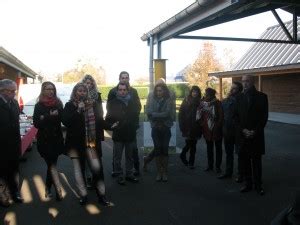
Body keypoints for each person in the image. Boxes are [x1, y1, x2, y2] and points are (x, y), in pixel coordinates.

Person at [62, 82, 111, 206]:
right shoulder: (69, 106)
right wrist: (78, 110)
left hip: (91, 143)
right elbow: (67, 122)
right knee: (79, 170)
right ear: (75, 92)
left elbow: (99, 120)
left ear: (87, 93)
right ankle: (83, 195)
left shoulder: (93, 105)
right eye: (79, 91)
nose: (82, 93)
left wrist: (111, 126)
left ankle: (102, 195)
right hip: (76, 143)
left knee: (97, 169)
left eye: (84, 91)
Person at [236, 75, 268, 195]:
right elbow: (235, 118)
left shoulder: (262, 97)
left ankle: (258, 185)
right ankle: (248, 184)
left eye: (247, 81)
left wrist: (255, 131)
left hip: (256, 136)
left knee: (256, 163)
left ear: (252, 82)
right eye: (243, 81)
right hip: (243, 136)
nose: (245, 84)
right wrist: (243, 130)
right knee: (245, 162)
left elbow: (264, 118)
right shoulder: (238, 98)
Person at [33, 81, 64, 201]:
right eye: (48, 89)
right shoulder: (39, 105)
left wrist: (44, 117)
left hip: (56, 139)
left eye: (52, 89)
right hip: (44, 141)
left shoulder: (58, 103)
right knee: (51, 165)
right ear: (43, 90)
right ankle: (57, 189)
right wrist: (49, 116)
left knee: (52, 165)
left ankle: (48, 188)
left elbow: (61, 119)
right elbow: (36, 123)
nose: (51, 91)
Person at [107, 71, 141, 176]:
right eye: (123, 77)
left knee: (132, 150)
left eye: (126, 77)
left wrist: (134, 122)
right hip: (118, 128)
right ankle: (116, 171)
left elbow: (138, 107)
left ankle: (135, 169)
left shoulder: (133, 91)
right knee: (117, 152)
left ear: (129, 79)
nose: (124, 79)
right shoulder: (113, 91)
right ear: (119, 79)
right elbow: (110, 108)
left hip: (131, 128)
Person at [143, 78, 176, 171]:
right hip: (156, 125)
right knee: (158, 148)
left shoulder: (170, 94)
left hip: (166, 125)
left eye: (162, 84)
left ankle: (159, 167)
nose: (159, 86)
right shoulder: (151, 94)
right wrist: (153, 118)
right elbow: (148, 110)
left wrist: (170, 118)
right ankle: (155, 166)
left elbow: (170, 110)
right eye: (158, 84)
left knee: (162, 148)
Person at [0, 79, 23, 206]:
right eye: (12, 91)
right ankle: (3, 197)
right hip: (2, 145)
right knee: (3, 173)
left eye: (15, 90)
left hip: (14, 144)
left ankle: (14, 194)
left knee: (14, 170)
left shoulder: (14, 103)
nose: (14, 93)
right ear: (2, 91)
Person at [81, 74, 103, 189]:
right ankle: (87, 178)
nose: (88, 85)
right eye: (86, 83)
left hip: (93, 133)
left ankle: (94, 178)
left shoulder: (97, 97)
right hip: (82, 132)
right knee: (84, 156)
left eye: (90, 83)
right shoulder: (78, 96)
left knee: (93, 156)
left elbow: (100, 115)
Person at [218, 81, 243, 179]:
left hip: (238, 132)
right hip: (227, 131)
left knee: (240, 154)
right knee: (229, 153)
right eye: (231, 88)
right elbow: (222, 115)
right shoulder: (225, 101)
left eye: (234, 88)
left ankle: (241, 175)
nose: (231, 90)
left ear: (239, 90)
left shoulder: (242, 101)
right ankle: (228, 172)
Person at [198, 88, 223, 173]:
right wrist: (202, 124)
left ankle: (218, 167)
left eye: (208, 94)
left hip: (216, 130)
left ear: (212, 95)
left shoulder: (218, 103)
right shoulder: (203, 104)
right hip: (207, 129)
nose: (206, 96)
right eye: (205, 94)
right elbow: (199, 115)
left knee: (218, 149)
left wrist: (217, 126)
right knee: (209, 149)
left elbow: (221, 116)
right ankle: (210, 165)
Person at [178, 85, 202, 169]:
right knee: (189, 144)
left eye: (196, 92)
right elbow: (181, 114)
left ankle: (191, 163)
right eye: (193, 92)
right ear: (191, 92)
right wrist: (181, 125)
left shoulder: (200, 102)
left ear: (198, 93)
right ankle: (183, 155)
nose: (194, 93)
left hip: (196, 127)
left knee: (193, 145)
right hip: (187, 126)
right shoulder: (186, 100)